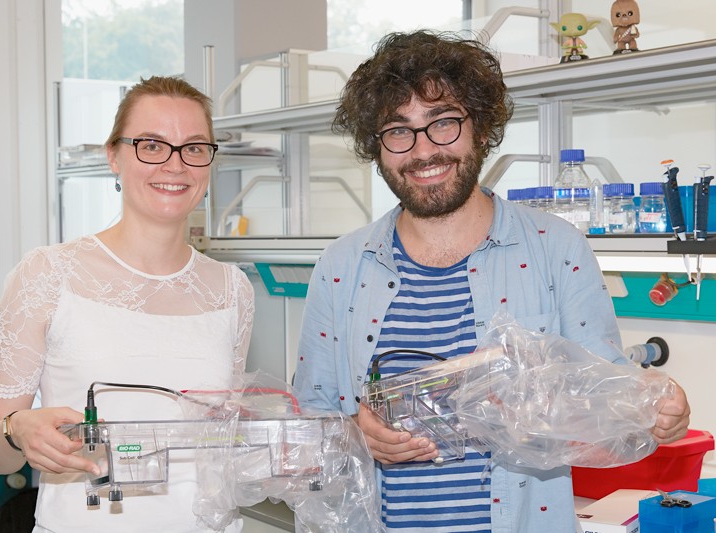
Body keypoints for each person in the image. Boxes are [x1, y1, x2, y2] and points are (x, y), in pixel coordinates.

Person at [292, 30, 690, 532]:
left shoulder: (555, 247)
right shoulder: (341, 267)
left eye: (444, 123)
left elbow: (605, 399)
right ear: (377, 148)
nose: (423, 151)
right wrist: (354, 435)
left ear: (480, 128)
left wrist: (656, 409)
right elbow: (308, 426)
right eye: (398, 130)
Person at [0, 76, 255, 532]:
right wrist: (16, 430)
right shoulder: (47, 274)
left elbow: (222, 440)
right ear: (114, 157)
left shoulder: (232, 289)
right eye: (152, 145)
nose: (175, 164)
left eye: (194, 147)